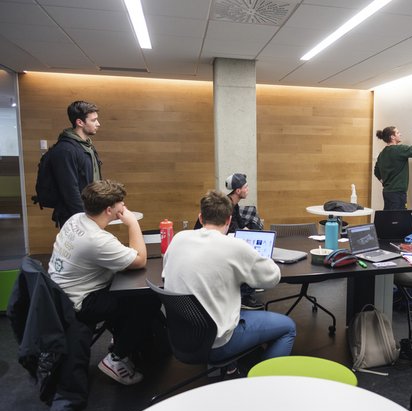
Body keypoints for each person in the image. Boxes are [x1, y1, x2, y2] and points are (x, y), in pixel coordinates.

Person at [163, 190, 296, 374]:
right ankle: (265, 384)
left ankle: (231, 366)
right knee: (288, 327)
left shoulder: (178, 239)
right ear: (228, 220)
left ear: (201, 218)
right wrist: (255, 255)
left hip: (182, 337)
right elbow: (272, 277)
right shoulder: (235, 247)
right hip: (217, 343)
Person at [49, 179, 161, 387]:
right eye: (122, 204)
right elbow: (140, 260)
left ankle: (124, 338)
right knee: (148, 300)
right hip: (81, 303)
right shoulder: (96, 240)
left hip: (59, 294)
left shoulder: (75, 219)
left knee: (129, 293)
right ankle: (116, 358)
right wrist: (133, 223)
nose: (125, 207)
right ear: (110, 209)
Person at [194, 172, 264, 309]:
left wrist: (254, 234)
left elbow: (240, 225)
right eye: (246, 187)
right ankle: (244, 296)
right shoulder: (227, 208)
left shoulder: (233, 204)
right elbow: (233, 233)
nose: (248, 189)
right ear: (238, 191)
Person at [47, 101, 103, 228]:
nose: (98, 124)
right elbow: (69, 189)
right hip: (75, 217)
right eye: (93, 120)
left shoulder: (87, 146)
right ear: (80, 122)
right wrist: (83, 219)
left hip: (90, 213)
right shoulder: (65, 150)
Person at [374, 126, 412, 210]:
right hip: (397, 194)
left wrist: (384, 181)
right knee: (398, 220)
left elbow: (376, 171)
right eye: (398, 133)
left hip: (387, 192)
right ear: (392, 137)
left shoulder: (382, 153)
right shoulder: (399, 149)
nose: (400, 134)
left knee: (390, 219)